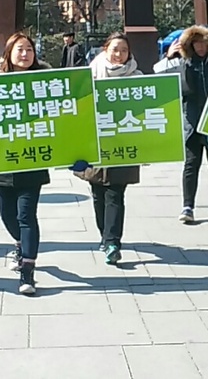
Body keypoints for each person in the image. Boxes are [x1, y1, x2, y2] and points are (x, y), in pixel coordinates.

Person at [0, 33, 51, 295]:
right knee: (7, 214)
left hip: (32, 159)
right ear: (8, 53)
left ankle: (28, 272)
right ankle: (20, 245)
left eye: (29, 50)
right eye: (20, 50)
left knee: (26, 216)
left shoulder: (46, 82)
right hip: (3, 159)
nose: (25, 54)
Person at [154, 25, 208, 224]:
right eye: (196, 43)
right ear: (190, 45)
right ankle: (188, 206)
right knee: (191, 164)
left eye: (204, 43)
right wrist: (168, 57)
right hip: (192, 121)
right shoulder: (183, 64)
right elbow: (158, 76)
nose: (201, 47)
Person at [83, 32, 141, 265]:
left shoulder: (137, 78)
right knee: (98, 193)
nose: (119, 55)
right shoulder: (89, 75)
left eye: (124, 50)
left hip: (123, 144)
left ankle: (113, 241)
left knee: (115, 193)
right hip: (95, 144)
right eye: (115, 49)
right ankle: (104, 235)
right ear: (105, 49)